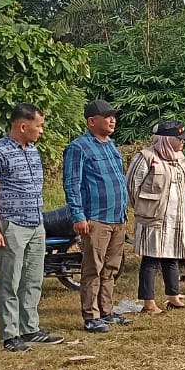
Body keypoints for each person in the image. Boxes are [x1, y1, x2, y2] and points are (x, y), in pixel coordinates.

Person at [0, 103, 63, 352]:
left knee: (33, 278)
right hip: (11, 224)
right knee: (11, 280)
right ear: (23, 125)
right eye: (39, 126)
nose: (41, 131)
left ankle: (31, 328)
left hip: (36, 223)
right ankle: (10, 334)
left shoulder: (33, 151)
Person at [62, 100, 133, 334]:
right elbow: (72, 184)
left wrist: (123, 212)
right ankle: (91, 315)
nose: (112, 120)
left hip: (116, 217)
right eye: (107, 116)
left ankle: (107, 310)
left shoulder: (111, 145)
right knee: (93, 268)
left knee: (111, 268)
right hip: (96, 218)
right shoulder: (78, 147)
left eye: (113, 116)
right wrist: (78, 216)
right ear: (92, 121)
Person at [127, 121, 185, 314]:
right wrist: (143, 208)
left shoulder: (179, 158)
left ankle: (174, 297)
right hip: (154, 218)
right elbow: (132, 186)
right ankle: (149, 303)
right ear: (166, 139)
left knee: (172, 257)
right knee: (151, 259)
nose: (182, 142)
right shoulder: (146, 157)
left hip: (177, 218)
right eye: (179, 138)